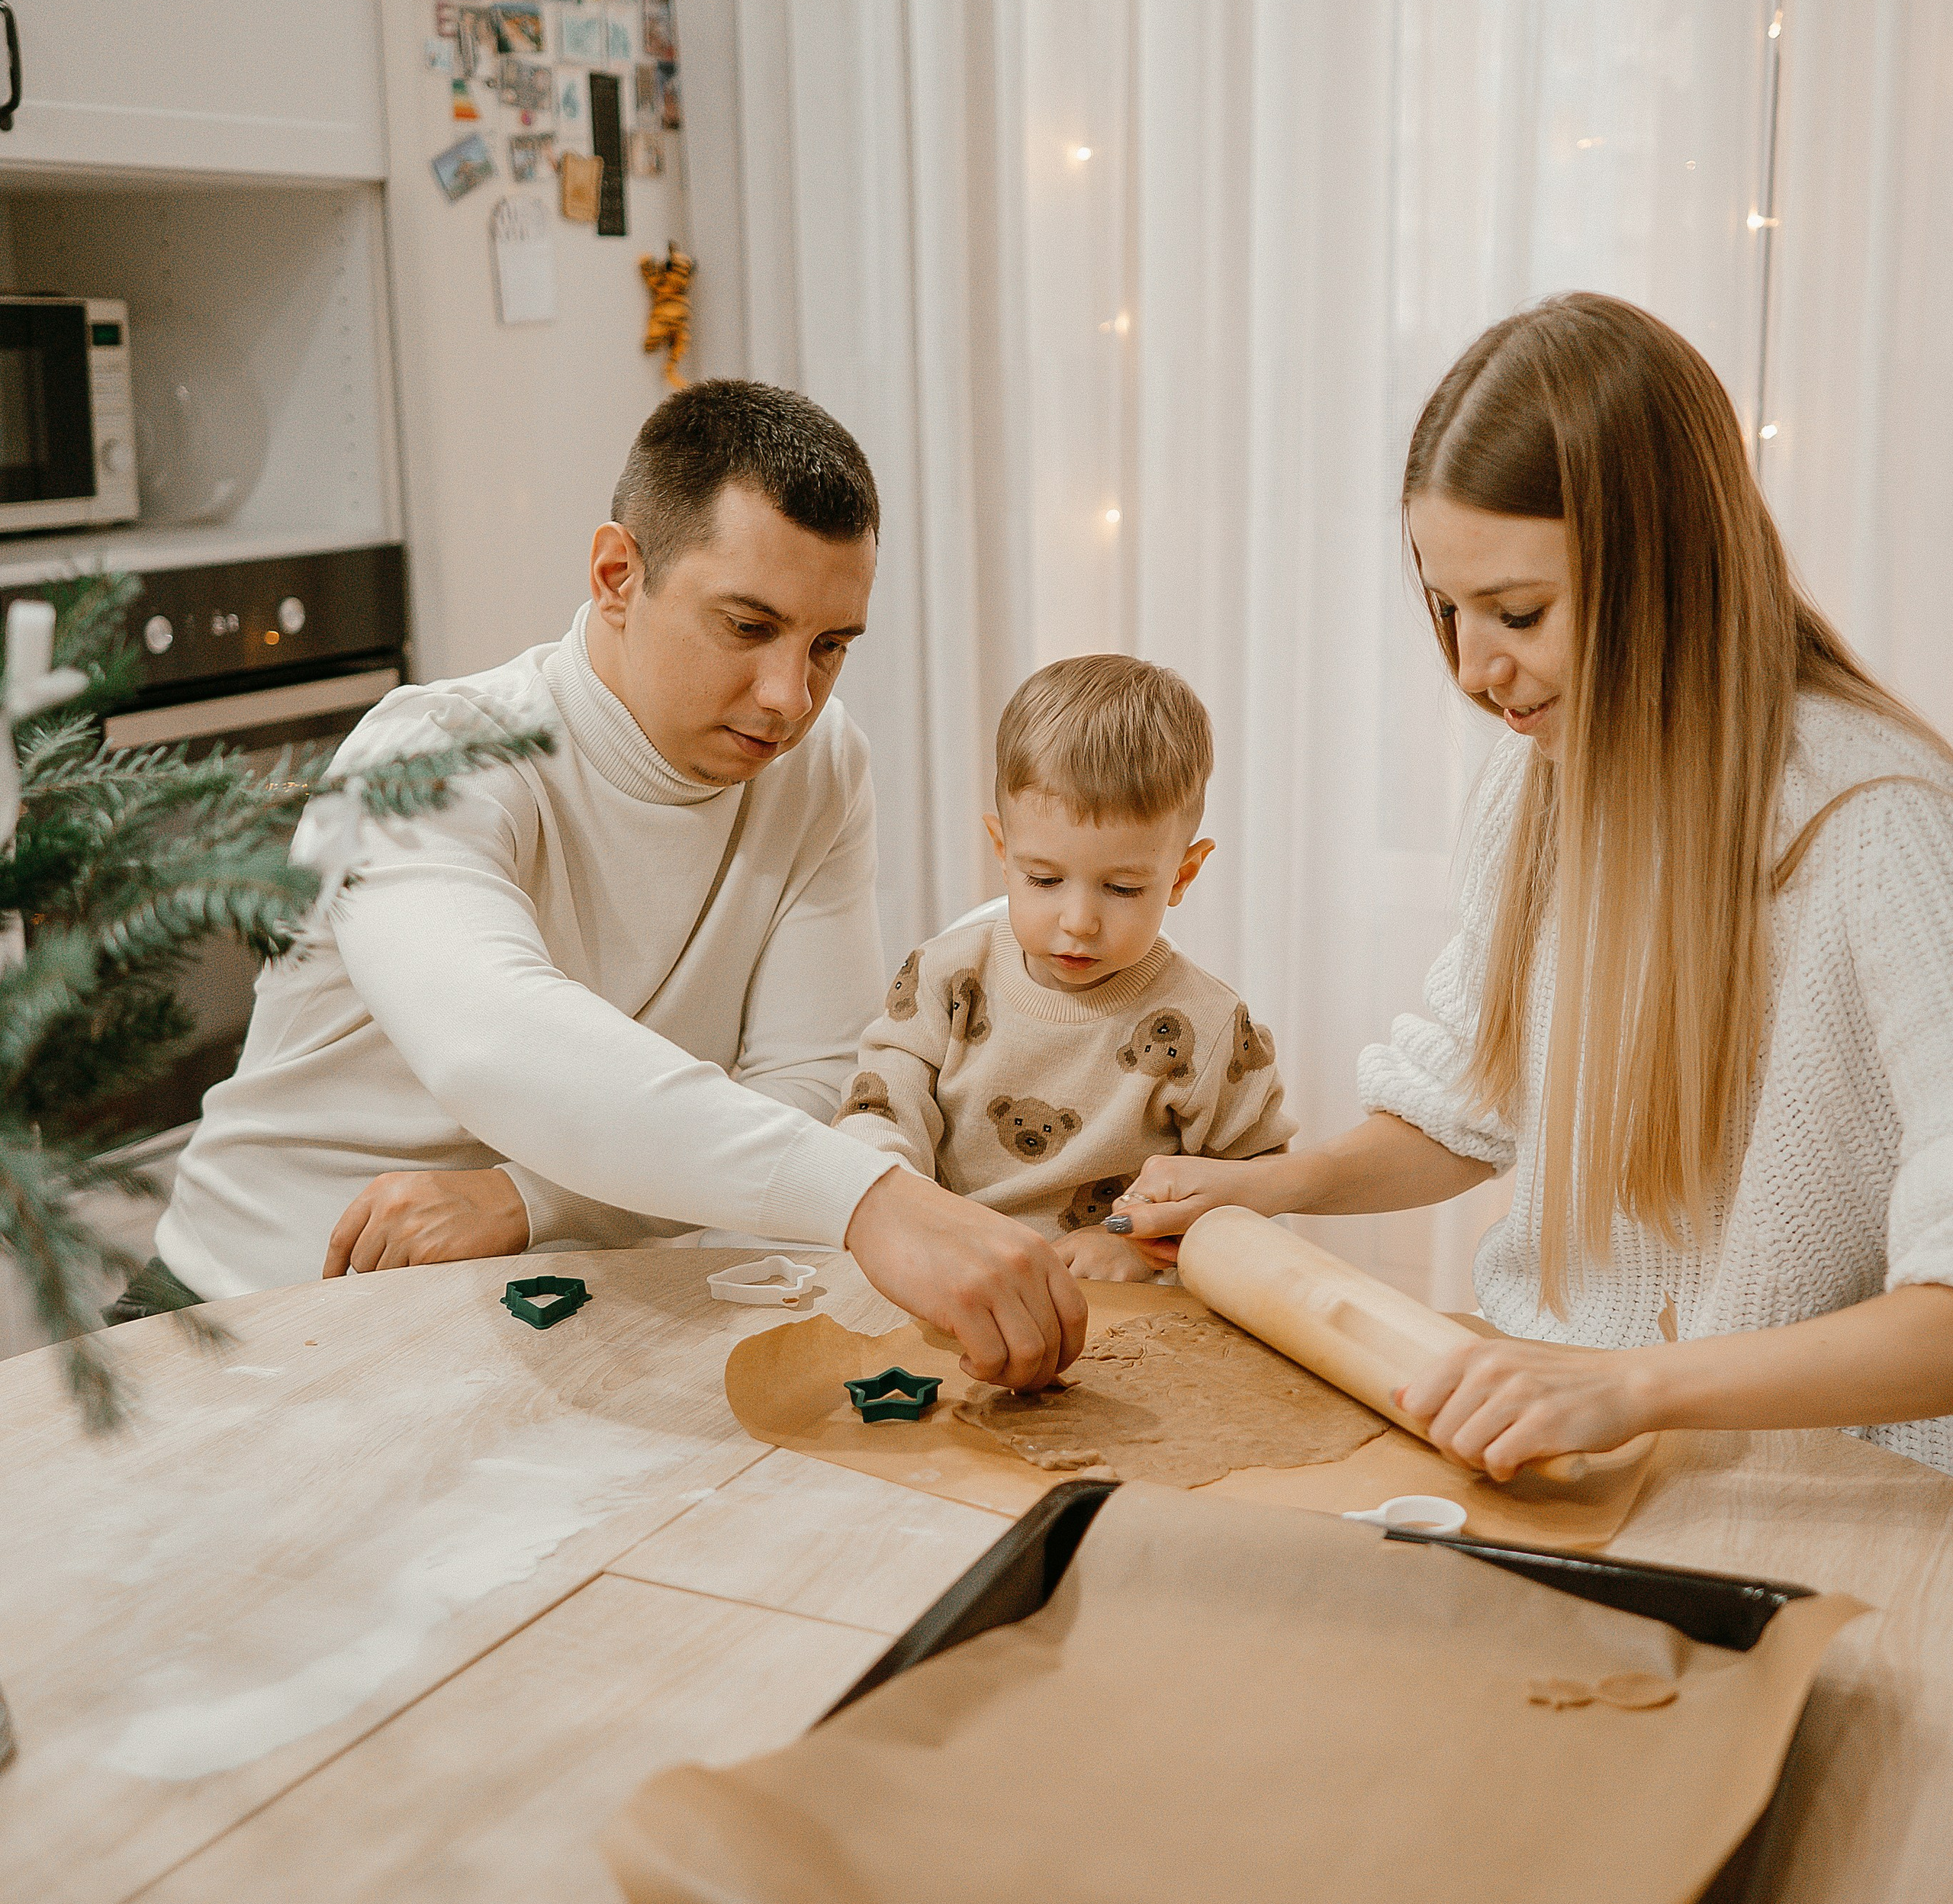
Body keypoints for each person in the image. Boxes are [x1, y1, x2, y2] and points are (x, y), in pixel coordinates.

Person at [1111, 293, 1953, 1475]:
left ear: (1672, 566)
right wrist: (1274, 1182)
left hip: (1819, 1483)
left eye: (1518, 612)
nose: (1470, 667)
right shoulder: (1538, 779)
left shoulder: (1880, 827)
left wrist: (1632, 1386)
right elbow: (1473, 1097)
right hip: (1574, 1439)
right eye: (1447, 609)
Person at [135, 381, 1085, 1388]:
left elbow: (803, 1085)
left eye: (829, 645)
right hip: (240, 1312)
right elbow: (496, 1039)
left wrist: (527, 1199)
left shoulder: (820, 762)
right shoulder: (432, 756)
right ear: (617, 574)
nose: (788, 696)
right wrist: (874, 1200)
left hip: (520, 1331)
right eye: (748, 625)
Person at [836, 654, 1293, 1278]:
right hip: (949, 1285)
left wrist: (1145, 1250)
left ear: (1182, 874)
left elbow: (1263, 1189)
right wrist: (905, 1215)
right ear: (1003, 852)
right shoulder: (944, 984)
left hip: (1129, 1317)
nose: (1079, 920)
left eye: (1123, 888)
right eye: (1045, 879)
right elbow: (876, 1114)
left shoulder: (1210, 1029)